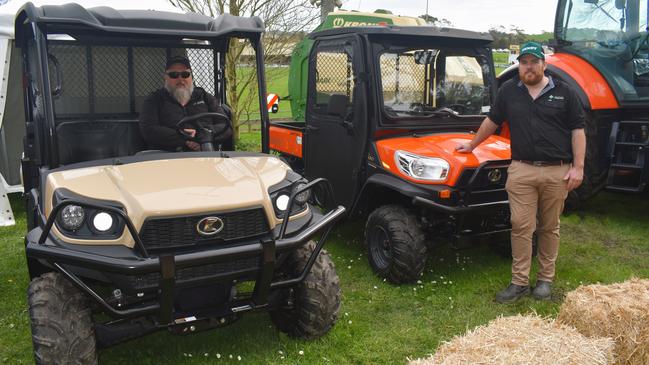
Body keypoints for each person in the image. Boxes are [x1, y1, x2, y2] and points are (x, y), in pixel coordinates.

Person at [456, 41, 586, 303]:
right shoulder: (508, 91)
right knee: (520, 226)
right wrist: (471, 145)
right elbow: (492, 121)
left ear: (543, 64)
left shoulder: (565, 92)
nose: (528, 67)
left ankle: (545, 280)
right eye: (524, 62)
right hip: (521, 171)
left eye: (534, 62)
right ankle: (519, 282)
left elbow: (577, 131)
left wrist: (578, 167)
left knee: (549, 227)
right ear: (519, 66)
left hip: (556, 172)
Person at [139, 55, 232, 152]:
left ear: (191, 77)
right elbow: (148, 130)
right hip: (168, 158)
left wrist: (203, 135)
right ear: (165, 77)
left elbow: (226, 126)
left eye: (185, 74)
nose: (180, 79)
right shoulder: (154, 99)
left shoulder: (204, 96)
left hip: (207, 154)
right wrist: (184, 138)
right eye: (174, 75)